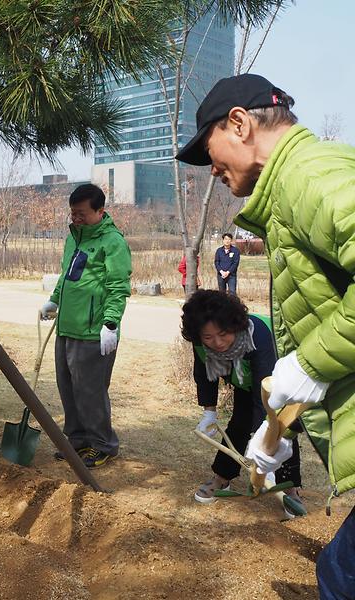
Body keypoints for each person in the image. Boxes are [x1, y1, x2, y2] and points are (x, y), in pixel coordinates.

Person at [176, 72, 355, 599]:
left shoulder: (310, 175)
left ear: (239, 123)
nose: (212, 170)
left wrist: (311, 364)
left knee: (339, 579)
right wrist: (280, 432)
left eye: (210, 153)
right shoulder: (290, 192)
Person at [181, 290, 303, 516]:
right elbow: (204, 376)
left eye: (223, 334)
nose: (216, 343)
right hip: (248, 383)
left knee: (283, 430)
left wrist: (263, 443)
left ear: (235, 325)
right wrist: (209, 413)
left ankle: (290, 488)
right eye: (208, 337)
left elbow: (266, 400)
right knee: (238, 424)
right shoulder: (202, 343)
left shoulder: (260, 337)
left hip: (280, 382)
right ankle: (222, 477)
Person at [40, 183, 131, 468]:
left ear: (100, 211)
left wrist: (111, 324)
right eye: (72, 213)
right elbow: (68, 276)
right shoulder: (74, 237)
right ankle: (77, 439)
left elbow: (118, 287)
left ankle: (103, 444)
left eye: (81, 214)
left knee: (90, 391)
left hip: (94, 331)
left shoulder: (113, 242)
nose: (75, 219)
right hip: (67, 327)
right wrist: (54, 301)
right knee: (68, 387)